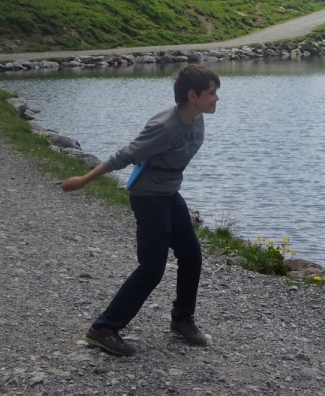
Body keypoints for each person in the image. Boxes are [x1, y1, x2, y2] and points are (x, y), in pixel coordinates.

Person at [61, 65, 221, 356]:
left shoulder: (196, 118)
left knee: (191, 256)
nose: (217, 99)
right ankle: (103, 329)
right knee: (152, 269)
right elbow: (125, 155)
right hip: (148, 197)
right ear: (192, 95)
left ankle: (182, 320)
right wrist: (83, 180)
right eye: (212, 93)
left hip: (170, 194)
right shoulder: (164, 126)